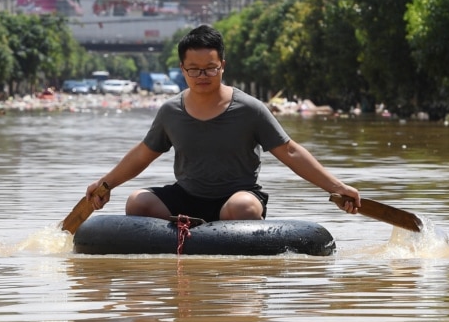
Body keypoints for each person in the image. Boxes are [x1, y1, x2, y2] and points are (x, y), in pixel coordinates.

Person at [84, 24, 361, 222]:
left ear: (223, 66)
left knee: (244, 209)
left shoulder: (250, 109)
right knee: (137, 203)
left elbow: (290, 151)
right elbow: (144, 154)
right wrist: (105, 185)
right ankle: (188, 231)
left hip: (237, 197)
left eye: (211, 68)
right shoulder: (170, 111)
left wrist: (337, 187)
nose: (202, 75)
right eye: (194, 69)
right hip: (186, 197)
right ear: (183, 69)